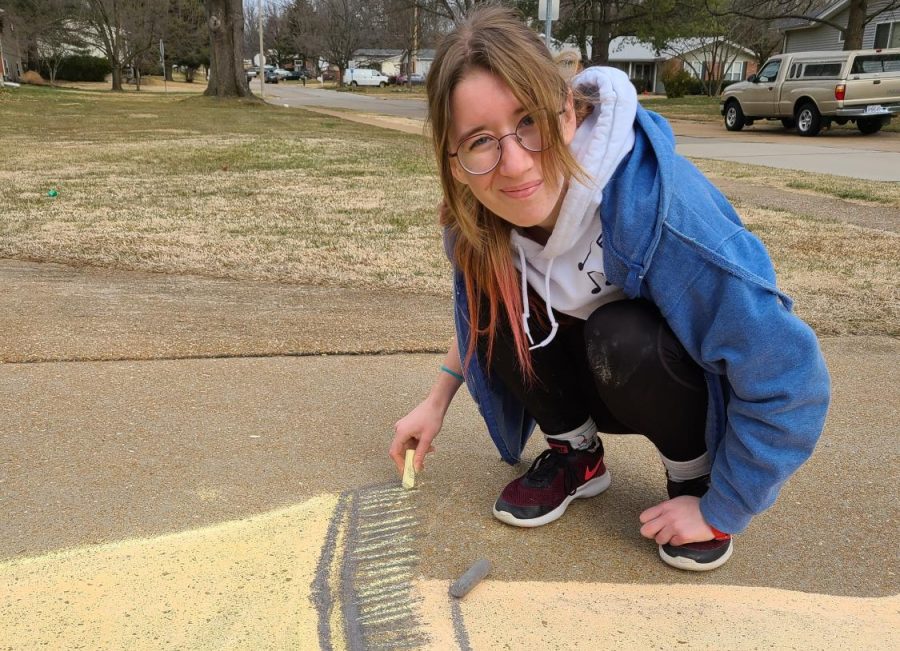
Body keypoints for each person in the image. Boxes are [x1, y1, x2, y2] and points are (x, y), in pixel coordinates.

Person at [389, 6, 830, 572]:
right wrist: (434, 403)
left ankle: (691, 476)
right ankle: (578, 457)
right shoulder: (475, 219)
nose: (516, 164)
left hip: (661, 377)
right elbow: (478, 319)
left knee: (620, 332)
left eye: (529, 121)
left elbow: (793, 377)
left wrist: (725, 506)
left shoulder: (666, 214)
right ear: (453, 160)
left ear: (569, 110)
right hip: (590, 376)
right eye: (479, 140)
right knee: (492, 291)